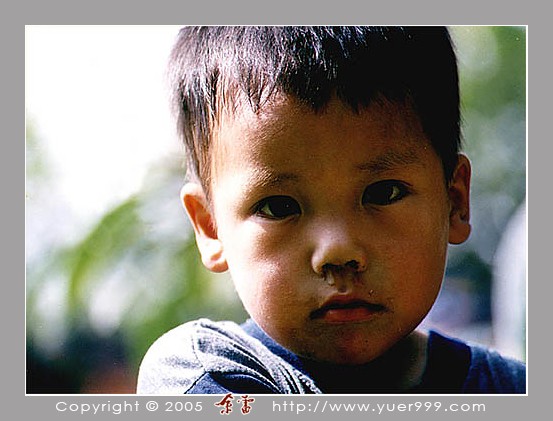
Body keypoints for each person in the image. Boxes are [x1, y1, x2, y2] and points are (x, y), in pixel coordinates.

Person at [137, 26, 525, 394]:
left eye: (383, 193)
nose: (338, 252)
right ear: (210, 227)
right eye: (279, 206)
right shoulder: (206, 376)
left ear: (454, 201)